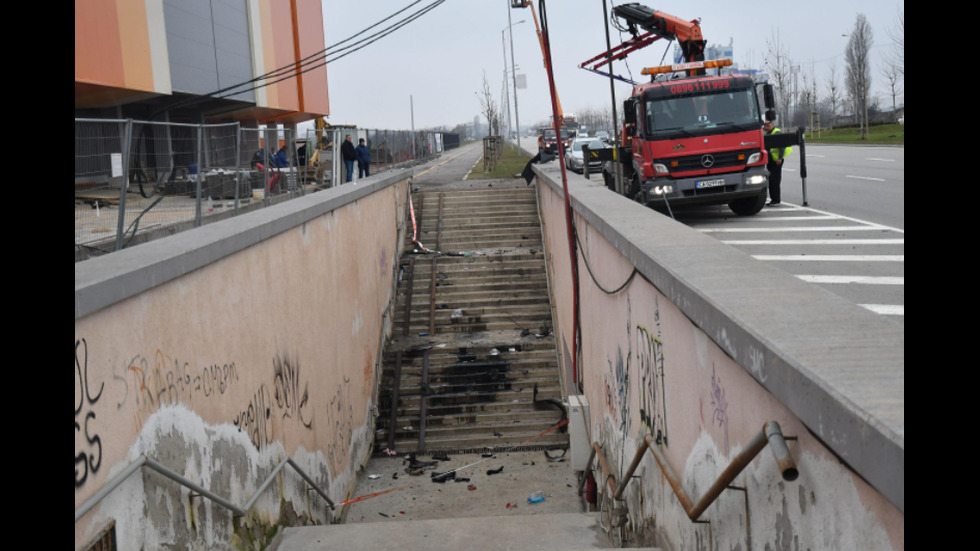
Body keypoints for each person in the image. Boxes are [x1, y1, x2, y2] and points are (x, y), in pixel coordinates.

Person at [765, 119, 791, 206]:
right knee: (771, 180)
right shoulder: (768, 133)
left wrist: (780, 158)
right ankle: (773, 199)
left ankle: (776, 200)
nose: (765, 127)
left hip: (776, 161)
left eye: (767, 125)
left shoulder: (776, 133)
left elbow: (782, 146)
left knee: (774, 180)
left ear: (772, 125)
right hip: (771, 160)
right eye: (764, 125)